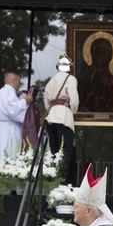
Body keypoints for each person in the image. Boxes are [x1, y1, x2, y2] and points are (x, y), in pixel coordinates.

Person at [44, 53, 79, 183]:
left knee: (54, 151)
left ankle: (54, 180)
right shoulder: (71, 79)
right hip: (64, 115)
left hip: (51, 116)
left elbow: (46, 101)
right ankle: (63, 180)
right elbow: (74, 100)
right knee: (65, 151)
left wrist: (51, 110)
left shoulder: (51, 80)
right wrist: (72, 112)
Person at [0, 70, 34, 163]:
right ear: (14, 81)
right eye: (19, 81)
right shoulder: (8, 91)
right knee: (10, 150)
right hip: (9, 128)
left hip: (2, 127)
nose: (19, 84)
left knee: (1, 151)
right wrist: (25, 101)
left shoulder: (2, 91)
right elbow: (12, 109)